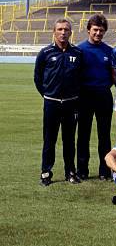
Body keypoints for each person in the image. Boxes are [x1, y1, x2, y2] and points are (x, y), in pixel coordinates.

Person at [34, 18, 83, 186]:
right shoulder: (45, 53)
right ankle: (46, 173)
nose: (63, 32)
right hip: (52, 103)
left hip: (71, 104)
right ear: (54, 32)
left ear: (70, 33)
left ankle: (70, 172)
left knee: (69, 140)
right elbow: (38, 78)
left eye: (66, 30)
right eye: (60, 29)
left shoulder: (77, 53)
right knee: (49, 140)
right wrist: (48, 94)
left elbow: (81, 78)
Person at [76, 14, 113, 181]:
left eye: (101, 31)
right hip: (84, 96)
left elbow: (113, 75)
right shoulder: (79, 50)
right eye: (95, 30)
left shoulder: (109, 51)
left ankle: (105, 170)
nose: (98, 33)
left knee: (104, 135)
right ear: (88, 30)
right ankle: (82, 170)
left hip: (103, 95)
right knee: (83, 134)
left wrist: (103, 87)